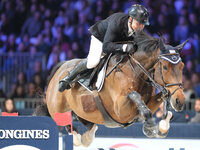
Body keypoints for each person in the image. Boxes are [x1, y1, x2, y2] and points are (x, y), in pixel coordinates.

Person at [58, 4, 150, 92]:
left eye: (143, 24)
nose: (141, 27)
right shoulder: (117, 23)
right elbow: (106, 47)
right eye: (139, 23)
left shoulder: (137, 27)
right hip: (101, 38)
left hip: (115, 41)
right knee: (93, 62)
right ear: (130, 19)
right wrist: (124, 47)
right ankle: (68, 78)